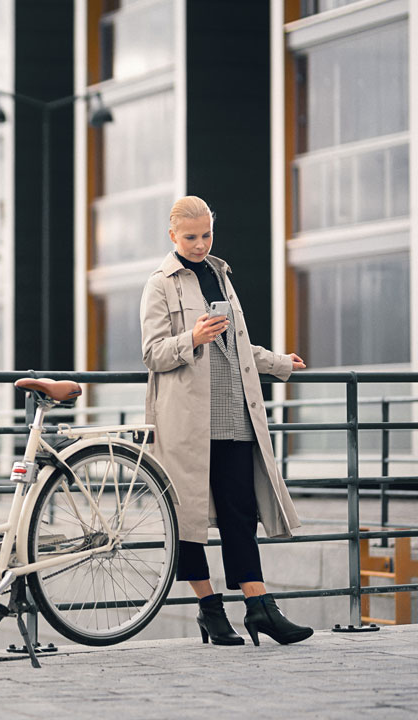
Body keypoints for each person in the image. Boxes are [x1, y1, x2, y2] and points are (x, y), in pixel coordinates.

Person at [140, 195, 314, 646]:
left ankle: (259, 608)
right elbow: (152, 353)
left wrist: (279, 363)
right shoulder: (159, 284)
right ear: (173, 236)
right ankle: (210, 610)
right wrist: (191, 338)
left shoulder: (220, 274)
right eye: (191, 237)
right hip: (185, 420)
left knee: (240, 513)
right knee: (189, 517)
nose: (201, 244)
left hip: (234, 412)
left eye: (207, 235)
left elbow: (238, 347)